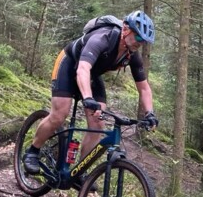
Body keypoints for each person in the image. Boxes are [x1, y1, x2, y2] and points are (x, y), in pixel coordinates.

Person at [23, 10, 159, 176]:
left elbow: (143, 87)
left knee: (98, 124)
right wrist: (87, 97)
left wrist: (150, 113)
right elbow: (83, 68)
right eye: (138, 37)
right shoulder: (103, 38)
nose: (140, 43)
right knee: (59, 114)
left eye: (144, 41)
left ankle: (80, 172)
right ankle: (33, 151)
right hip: (69, 65)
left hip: (91, 76)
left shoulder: (132, 55)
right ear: (125, 29)